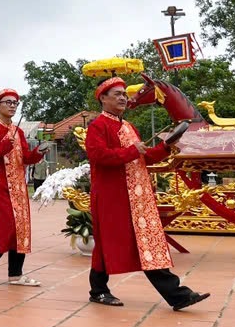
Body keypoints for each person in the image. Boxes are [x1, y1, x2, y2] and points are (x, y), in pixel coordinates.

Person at [86, 77, 211, 310]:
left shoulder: (129, 127)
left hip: (137, 196)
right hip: (113, 197)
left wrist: (166, 146)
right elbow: (98, 157)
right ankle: (102, 290)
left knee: (144, 243)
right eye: (117, 94)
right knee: (113, 243)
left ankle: (176, 295)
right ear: (102, 98)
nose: (123, 97)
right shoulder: (97, 126)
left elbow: (145, 157)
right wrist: (131, 151)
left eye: (124, 93)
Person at [0, 89, 47, 287]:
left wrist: (39, 152)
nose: (13, 105)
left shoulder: (19, 131)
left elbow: (25, 158)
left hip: (19, 186)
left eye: (15, 102)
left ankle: (16, 274)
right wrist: (3, 147)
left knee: (22, 227)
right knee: (9, 225)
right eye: (8, 102)